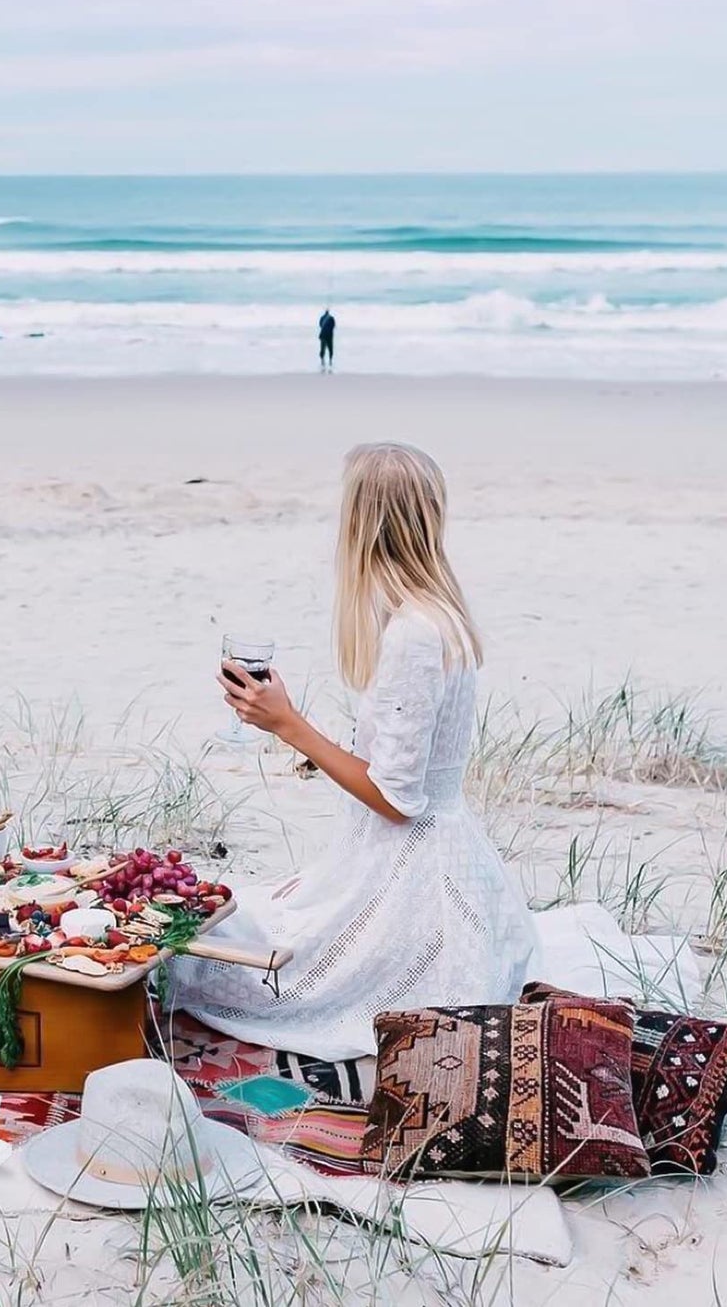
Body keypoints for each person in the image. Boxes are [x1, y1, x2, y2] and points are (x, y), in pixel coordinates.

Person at [170, 443, 536, 1060]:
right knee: (239, 923)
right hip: (422, 853)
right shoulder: (436, 615)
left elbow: (397, 800)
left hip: (415, 872)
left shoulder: (415, 634)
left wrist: (290, 725)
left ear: (362, 526)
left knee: (215, 973)